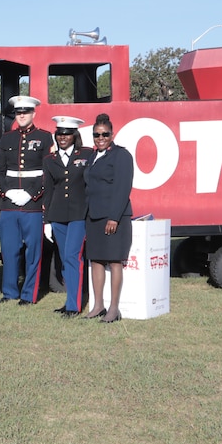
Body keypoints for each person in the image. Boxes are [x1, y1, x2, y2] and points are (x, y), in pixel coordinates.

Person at [0, 95, 54, 305]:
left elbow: (48, 172)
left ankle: (29, 294)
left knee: (33, 252)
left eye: (25, 112)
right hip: (9, 204)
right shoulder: (5, 139)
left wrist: (30, 194)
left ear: (33, 113)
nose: (21, 115)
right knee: (9, 250)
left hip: (33, 204)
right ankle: (10, 292)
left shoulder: (45, 137)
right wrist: (8, 192)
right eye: (18, 112)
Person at [84, 114, 134, 323]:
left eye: (105, 134)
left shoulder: (121, 155)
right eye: (96, 134)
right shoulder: (92, 156)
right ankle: (98, 306)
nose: (100, 138)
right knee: (95, 260)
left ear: (112, 135)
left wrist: (113, 217)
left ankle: (114, 309)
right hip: (93, 216)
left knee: (114, 262)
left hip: (114, 218)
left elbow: (123, 188)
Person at [42, 116, 92, 317]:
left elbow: (91, 185)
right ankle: (70, 300)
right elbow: (48, 190)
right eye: (60, 133)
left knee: (73, 256)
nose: (63, 137)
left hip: (79, 214)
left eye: (67, 133)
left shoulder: (87, 154)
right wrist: (46, 220)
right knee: (64, 258)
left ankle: (74, 306)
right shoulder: (49, 160)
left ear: (74, 135)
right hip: (57, 214)